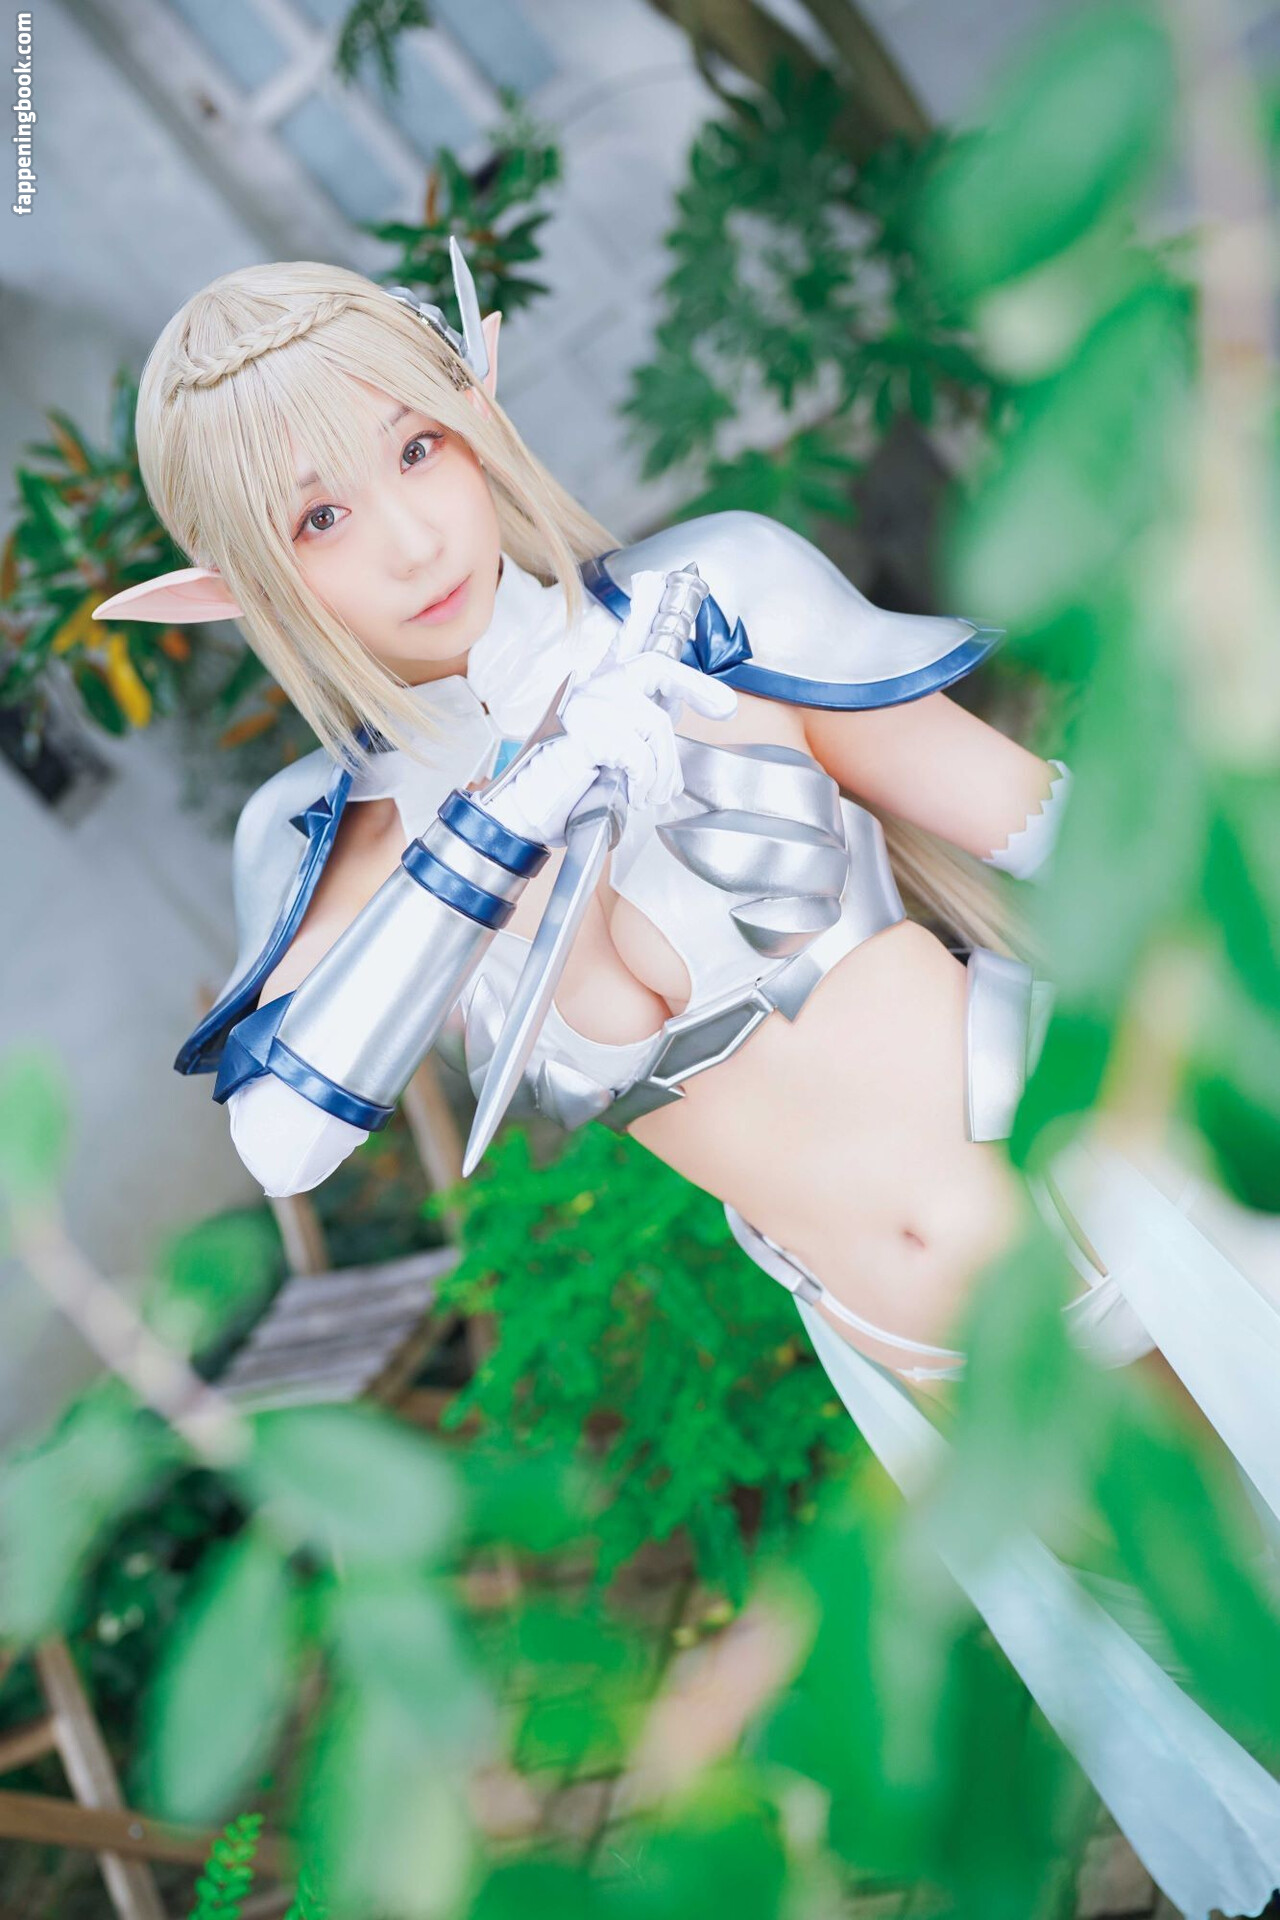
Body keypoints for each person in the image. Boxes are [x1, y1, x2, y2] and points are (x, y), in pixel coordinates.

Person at [98, 249, 1280, 1915]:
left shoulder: (710, 597)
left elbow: (1038, 821)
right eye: (319, 518)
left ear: (478, 410)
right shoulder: (319, 839)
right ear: (235, 584)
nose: (412, 536)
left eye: (417, 447)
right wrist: (500, 819)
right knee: (1214, 1693)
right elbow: (284, 1137)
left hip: (1098, 1191)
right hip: (903, 1344)